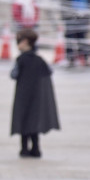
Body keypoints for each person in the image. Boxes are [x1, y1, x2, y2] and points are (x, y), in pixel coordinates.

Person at [10, 28, 60, 158]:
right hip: (37, 96)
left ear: (25, 42)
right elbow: (49, 72)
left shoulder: (20, 59)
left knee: (23, 120)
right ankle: (36, 148)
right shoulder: (40, 60)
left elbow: (13, 75)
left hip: (22, 95)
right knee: (34, 121)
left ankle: (24, 149)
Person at [61, 0, 90, 67]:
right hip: (83, 19)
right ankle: (85, 57)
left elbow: (63, 6)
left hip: (71, 19)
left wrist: (64, 18)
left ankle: (71, 58)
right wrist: (88, 19)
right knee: (82, 39)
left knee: (70, 39)